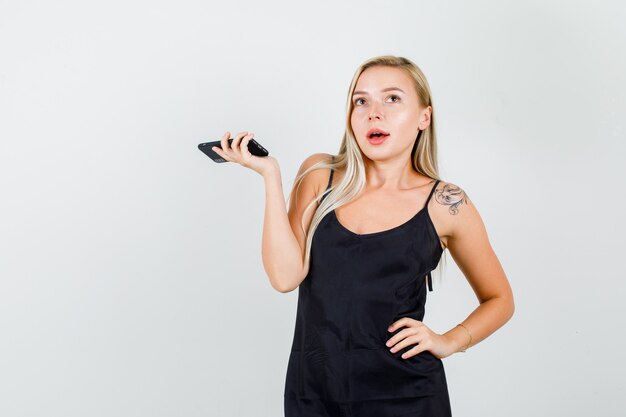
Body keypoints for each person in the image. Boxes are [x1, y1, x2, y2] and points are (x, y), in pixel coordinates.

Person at [211, 55, 515, 417]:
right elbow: (284, 277)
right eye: (361, 100)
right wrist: (270, 176)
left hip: (408, 398)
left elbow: (499, 299)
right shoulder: (320, 176)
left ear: (424, 118)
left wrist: (449, 341)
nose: (374, 112)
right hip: (314, 394)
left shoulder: (446, 203)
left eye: (392, 99)